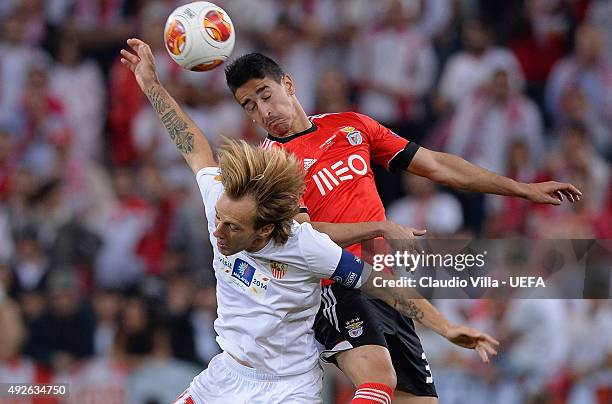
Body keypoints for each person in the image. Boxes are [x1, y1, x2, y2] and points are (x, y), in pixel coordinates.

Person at [120, 38, 499, 404]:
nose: (217, 233)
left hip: (290, 386)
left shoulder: (303, 243)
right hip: (227, 377)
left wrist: (446, 327)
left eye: (232, 228)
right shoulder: (222, 201)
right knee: (381, 378)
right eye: (219, 221)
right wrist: (152, 85)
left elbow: (381, 283)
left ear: (266, 229)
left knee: (389, 384)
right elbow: (192, 145)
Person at [223, 53, 582, 404]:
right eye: (250, 106)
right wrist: (378, 226)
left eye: (266, 95)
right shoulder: (269, 166)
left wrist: (522, 189)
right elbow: (304, 236)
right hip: (334, 289)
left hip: (385, 285)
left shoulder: (351, 125)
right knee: (378, 381)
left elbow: (438, 165)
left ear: (288, 84)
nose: (264, 112)